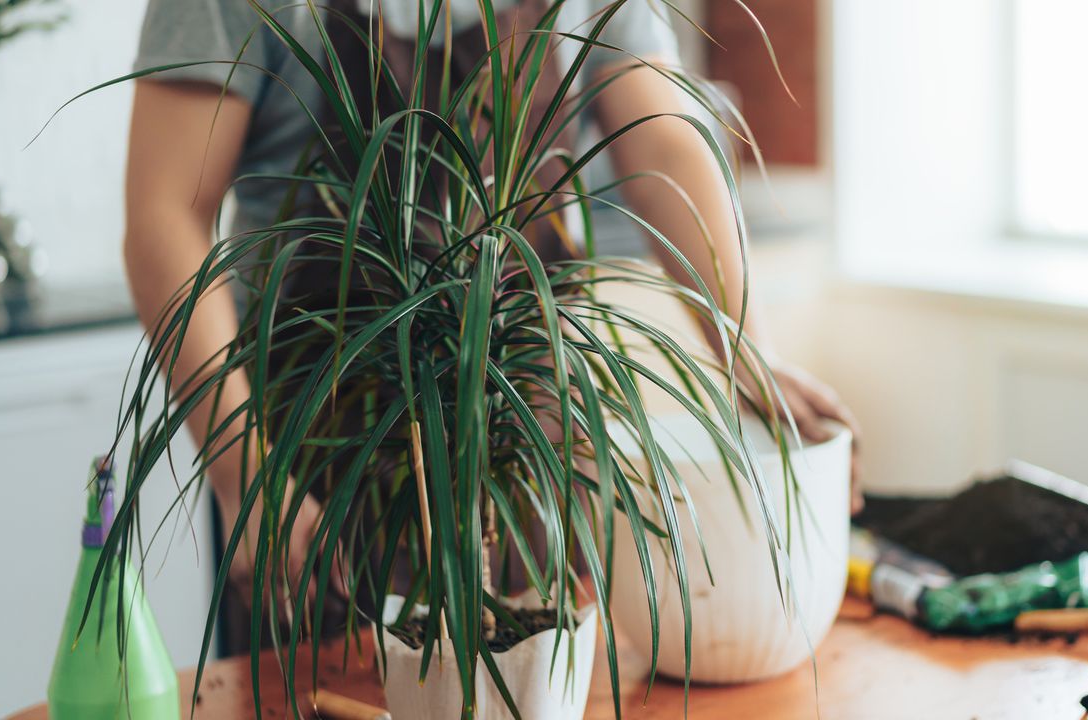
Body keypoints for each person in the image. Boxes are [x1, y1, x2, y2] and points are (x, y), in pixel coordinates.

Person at [124, 0, 861, 600]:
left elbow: (665, 150)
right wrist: (243, 475)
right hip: (316, 457)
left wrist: (743, 350)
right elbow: (166, 213)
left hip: (530, 440)